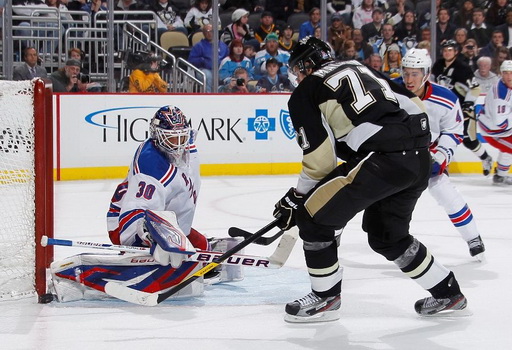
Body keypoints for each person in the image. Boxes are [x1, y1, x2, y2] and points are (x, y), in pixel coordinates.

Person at [273, 36, 467, 323]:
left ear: (305, 66)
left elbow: (320, 158)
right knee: (387, 234)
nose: (297, 77)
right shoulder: (358, 66)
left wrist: (298, 196)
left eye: (297, 70)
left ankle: (326, 297)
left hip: (383, 160)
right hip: (417, 157)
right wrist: (412, 142)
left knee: (312, 218)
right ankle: (447, 291)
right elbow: (413, 102)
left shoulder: (306, 91)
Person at [401, 48, 486, 258]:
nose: (409, 79)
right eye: (406, 72)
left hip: (427, 155)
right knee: (366, 190)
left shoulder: (446, 98)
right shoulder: (391, 90)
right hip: (396, 154)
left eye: (415, 73)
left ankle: (473, 237)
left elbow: (454, 130)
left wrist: (441, 157)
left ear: (426, 74)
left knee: (445, 192)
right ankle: (336, 230)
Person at [432, 39, 494, 176]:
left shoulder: (463, 68)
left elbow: (475, 88)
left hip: (462, 111)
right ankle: (443, 167)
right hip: (443, 110)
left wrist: (468, 104)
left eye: (450, 50)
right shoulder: (437, 65)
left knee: (469, 140)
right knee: (440, 138)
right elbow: (431, 83)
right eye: (445, 50)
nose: (447, 52)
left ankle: (486, 158)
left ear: (456, 51)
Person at [478, 60, 512, 185]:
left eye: (511, 73)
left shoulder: (506, 85)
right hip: (494, 131)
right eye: (506, 73)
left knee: (508, 148)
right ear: (501, 74)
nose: (509, 76)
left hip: (496, 126)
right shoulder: (501, 95)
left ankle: (500, 176)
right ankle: (500, 175)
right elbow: (500, 123)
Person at [189, 24, 229, 93]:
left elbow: (228, 58)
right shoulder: (198, 46)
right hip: (205, 69)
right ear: (203, 33)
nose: (209, 33)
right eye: (206, 31)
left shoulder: (223, 46)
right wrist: (203, 60)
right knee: (208, 76)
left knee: (229, 76)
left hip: (221, 69)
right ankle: (209, 95)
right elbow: (191, 60)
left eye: (211, 31)